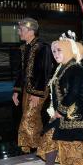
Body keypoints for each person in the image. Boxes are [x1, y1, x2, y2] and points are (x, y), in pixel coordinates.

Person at [27, 31, 83, 165]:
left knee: (74, 142)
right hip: (61, 113)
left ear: (69, 50)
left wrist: (61, 110)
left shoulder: (75, 68)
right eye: (54, 51)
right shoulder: (62, 68)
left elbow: (74, 92)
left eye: (59, 50)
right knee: (49, 136)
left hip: (74, 113)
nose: (55, 54)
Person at [12, 17, 54, 153]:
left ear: (30, 31)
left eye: (21, 30)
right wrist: (16, 91)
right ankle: (38, 147)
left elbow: (45, 71)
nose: (19, 32)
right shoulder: (24, 48)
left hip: (39, 90)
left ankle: (31, 147)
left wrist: (37, 93)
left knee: (28, 117)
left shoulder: (43, 47)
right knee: (33, 117)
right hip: (26, 90)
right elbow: (20, 71)